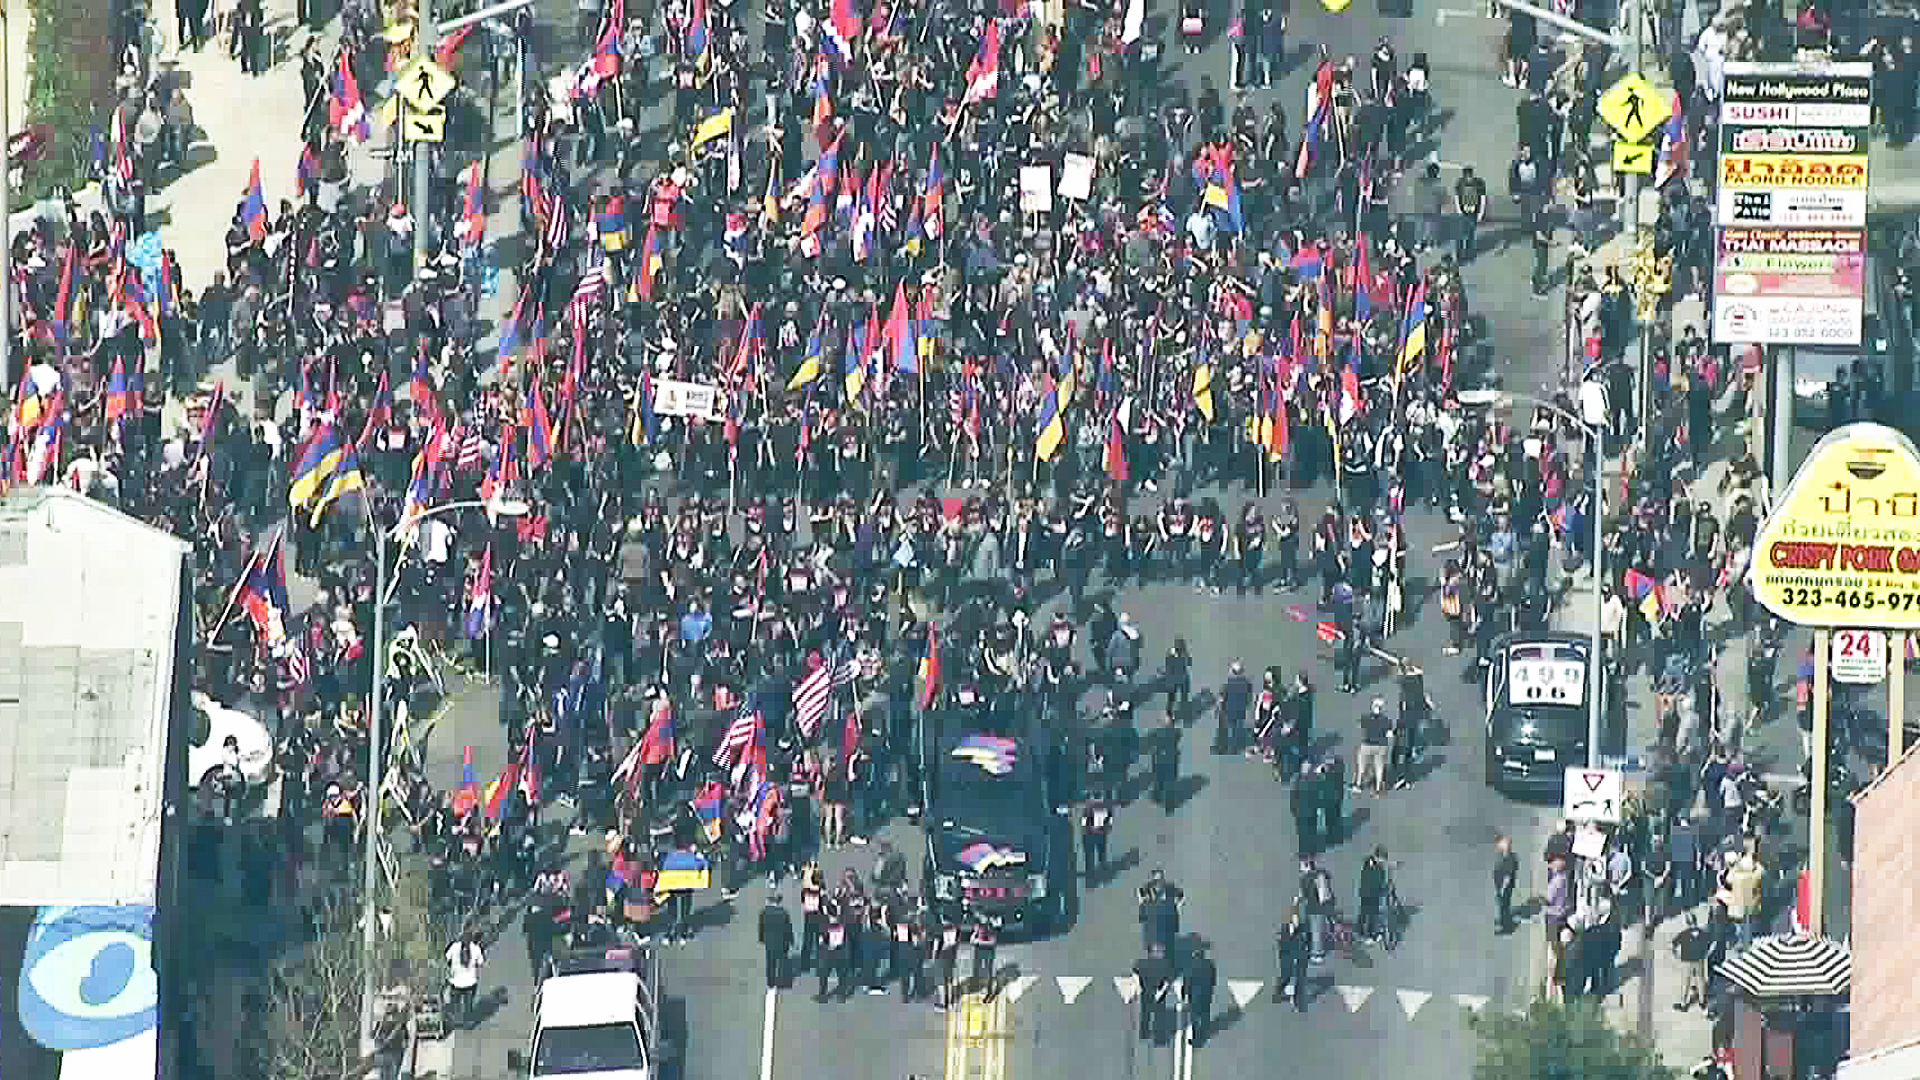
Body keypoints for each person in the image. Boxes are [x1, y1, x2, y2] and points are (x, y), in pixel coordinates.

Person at [444, 931, 484, 1029]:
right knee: (468, 1005)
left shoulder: (454, 947)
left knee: (454, 1003)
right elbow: (480, 962)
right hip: (470, 983)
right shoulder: (476, 949)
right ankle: (468, 1023)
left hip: (455, 982)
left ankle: (454, 1022)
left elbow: (447, 958)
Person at [1274, 907, 1312, 1010]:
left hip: (1301, 958)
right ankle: (1278, 994)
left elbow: (1308, 940)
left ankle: (1298, 1002)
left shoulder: (1303, 928)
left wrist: (1307, 953)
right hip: (1287, 958)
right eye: (1295, 920)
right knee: (1285, 976)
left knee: (1300, 979)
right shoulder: (1284, 930)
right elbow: (1282, 947)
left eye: (1298, 920)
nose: (1297, 922)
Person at [1134, 943, 1173, 1043]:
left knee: (1145, 1013)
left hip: (1146, 992)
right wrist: (1161, 992)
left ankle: (1144, 1033)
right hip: (1158, 993)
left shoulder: (1142, 963)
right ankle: (1158, 1038)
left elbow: (1136, 974)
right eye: (1160, 951)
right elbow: (1167, 981)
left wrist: (1139, 987)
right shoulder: (1165, 964)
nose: (1162, 953)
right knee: (1159, 1015)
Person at [1184, 942, 1218, 1047]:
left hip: (1194, 995)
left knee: (1194, 1018)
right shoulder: (1210, 964)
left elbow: (1187, 981)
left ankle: (1195, 1038)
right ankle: (1203, 1035)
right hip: (1206, 994)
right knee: (1204, 1015)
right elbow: (1213, 980)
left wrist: (1184, 993)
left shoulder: (1190, 965)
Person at [759, 893, 795, 989]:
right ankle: (783, 982)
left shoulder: (764, 912)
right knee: (782, 962)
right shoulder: (784, 913)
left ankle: (770, 982)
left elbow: (761, 927)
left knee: (770, 963)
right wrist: (791, 940)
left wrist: (762, 939)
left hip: (769, 942)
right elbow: (788, 928)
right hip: (782, 942)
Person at [1081, 788, 1113, 881]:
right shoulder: (1105, 806)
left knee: (1090, 857)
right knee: (1101, 854)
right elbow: (1109, 823)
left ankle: (1091, 876)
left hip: (1090, 835)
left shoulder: (1089, 807)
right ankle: (1102, 873)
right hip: (1100, 835)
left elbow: (1084, 823)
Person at [1492, 834, 1520, 934]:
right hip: (1502, 886)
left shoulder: (1509, 860)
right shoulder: (1506, 855)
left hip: (1505, 888)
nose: (1498, 846)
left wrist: (1501, 891)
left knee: (1503, 906)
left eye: (1500, 845)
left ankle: (1506, 927)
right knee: (1504, 906)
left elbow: (1507, 879)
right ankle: (1504, 920)